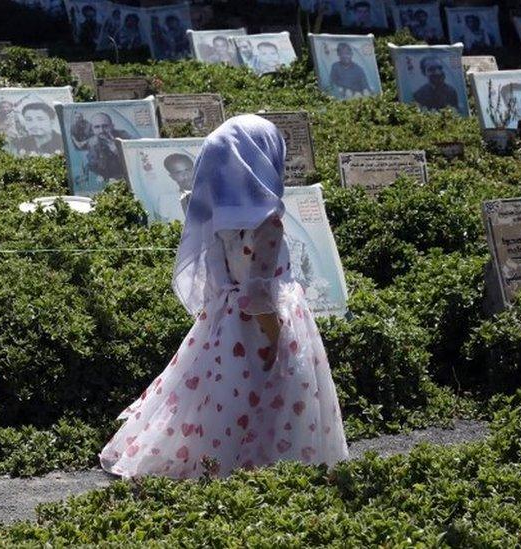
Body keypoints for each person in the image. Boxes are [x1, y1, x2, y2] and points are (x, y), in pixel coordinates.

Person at [98, 115, 349, 479]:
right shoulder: (267, 222)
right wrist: (282, 345)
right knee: (273, 398)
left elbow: (222, 276)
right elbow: (260, 292)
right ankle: (268, 470)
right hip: (266, 323)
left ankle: (215, 465)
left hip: (225, 324)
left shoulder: (216, 215)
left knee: (222, 399)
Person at [85, 112, 132, 181]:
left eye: (105, 126)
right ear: (92, 129)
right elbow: (94, 165)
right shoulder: (92, 143)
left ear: (112, 126)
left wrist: (117, 151)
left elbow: (134, 161)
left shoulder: (124, 136)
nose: (101, 130)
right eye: (97, 127)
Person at [154, 153, 194, 222]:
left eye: (188, 170)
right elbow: (162, 228)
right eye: (179, 172)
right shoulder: (165, 200)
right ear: (172, 177)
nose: (185, 176)